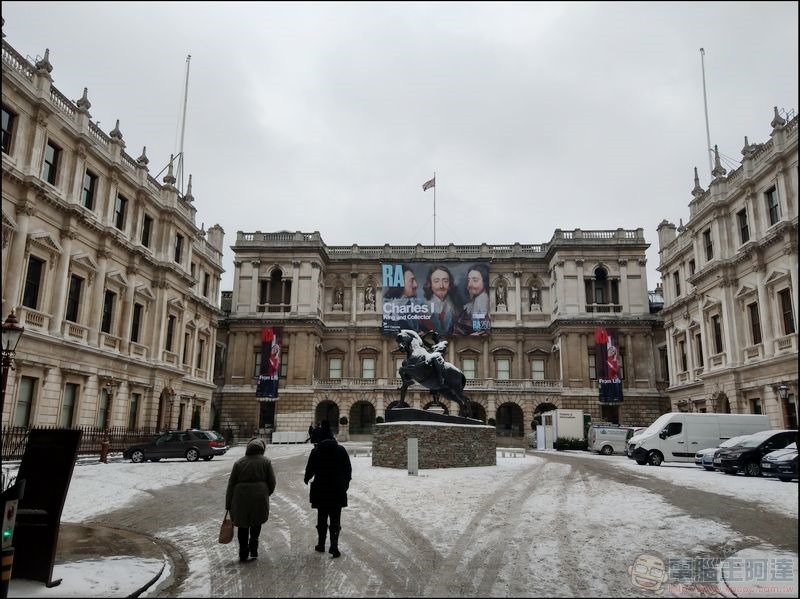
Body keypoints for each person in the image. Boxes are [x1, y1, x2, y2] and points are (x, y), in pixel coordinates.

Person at [225, 437, 277, 563]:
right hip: (260, 496)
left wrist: (228, 503)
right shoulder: (266, 462)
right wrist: (265, 492)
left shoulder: (239, 463)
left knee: (243, 525)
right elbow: (272, 482)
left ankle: (243, 552)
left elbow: (231, 484)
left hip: (240, 496)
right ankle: (254, 547)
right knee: (256, 522)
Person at [303, 434, 352, 558]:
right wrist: (345, 484)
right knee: (335, 518)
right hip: (337, 489)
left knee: (322, 517)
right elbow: (348, 469)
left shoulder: (316, 451)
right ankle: (334, 546)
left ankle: (321, 544)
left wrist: (307, 478)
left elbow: (310, 469)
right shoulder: (341, 450)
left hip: (321, 488)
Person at [420, 264, 458, 337]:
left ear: (450, 284)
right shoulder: (423, 309)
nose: (441, 286)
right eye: (436, 281)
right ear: (430, 284)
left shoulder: (455, 308)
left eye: (445, 281)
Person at [383, 264, 422, 332]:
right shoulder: (389, 310)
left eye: (414, 280)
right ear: (400, 284)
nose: (416, 285)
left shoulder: (414, 307)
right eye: (411, 281)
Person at [454, 264, 490, 336]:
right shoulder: (465, 311)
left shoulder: (492, 306)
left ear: (485, 282)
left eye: (475, 280)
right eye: (468, 280)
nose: (469, 284)